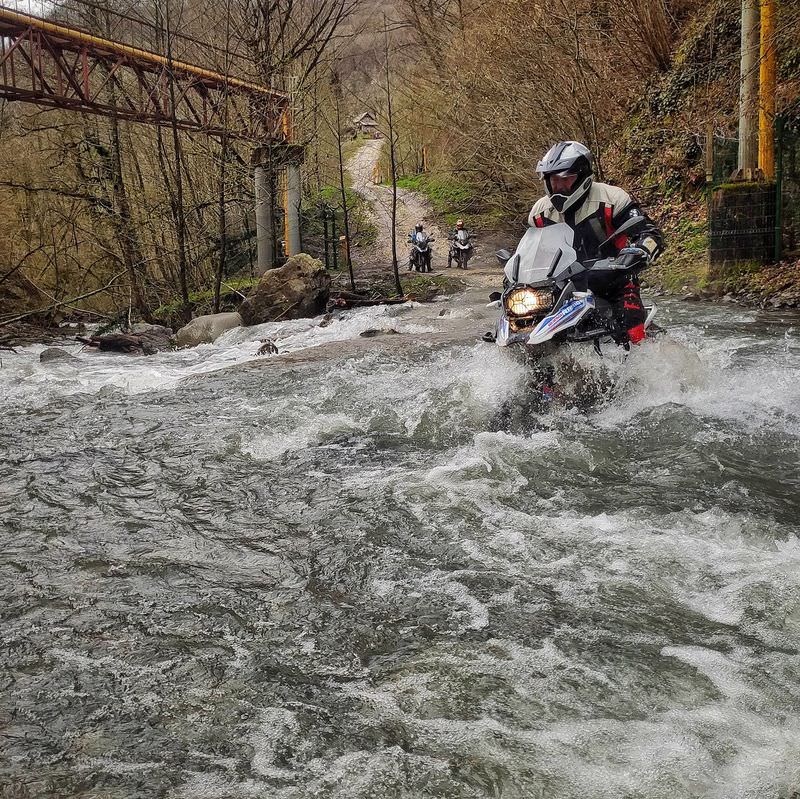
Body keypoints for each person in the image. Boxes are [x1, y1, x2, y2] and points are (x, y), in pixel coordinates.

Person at [528, 141, 664, 344]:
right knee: (519, 320)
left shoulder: (611, 198)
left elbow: (649, 233)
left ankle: (643, 368)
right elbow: (530, 249)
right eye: (554, 180)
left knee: (630, 328)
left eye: (566, 180)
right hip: (558, 288)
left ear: (582, 176)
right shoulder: (540, 211)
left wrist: (637, 252)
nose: (559, 186)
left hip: (612, 282)